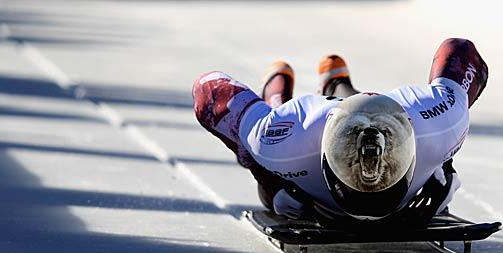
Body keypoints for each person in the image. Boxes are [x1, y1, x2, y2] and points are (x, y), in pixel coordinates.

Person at [192, 38, 488, 227]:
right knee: (274, 191)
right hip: (302, 135)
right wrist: (264, 171)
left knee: (276, 190)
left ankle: (336, 83)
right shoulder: (277, 139)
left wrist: (443, 162)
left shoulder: (443, 121)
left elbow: (462, 51)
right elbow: (209, 90)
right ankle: (278, 96)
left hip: (321, 158)